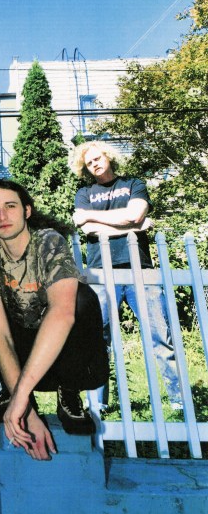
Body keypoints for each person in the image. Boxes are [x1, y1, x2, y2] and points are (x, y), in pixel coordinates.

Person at [0, 178, 109, 461]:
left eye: (10, 206)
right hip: (22, 362)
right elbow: (0, 335)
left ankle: (68, 394)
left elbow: (63, 313)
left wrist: (19, 397)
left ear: (27, 211)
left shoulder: (48, 242)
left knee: (82, 297)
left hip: (70, 360)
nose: (3, 216)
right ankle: (12, 392)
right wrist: (27, 411)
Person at [71, 140, 183, 410]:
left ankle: (179, 402)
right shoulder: (84, 193)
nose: (95, 163)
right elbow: (89, 231)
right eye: (89, 162)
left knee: (160, 337)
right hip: (100, 273)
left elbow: (136, 213)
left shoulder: (133, 184)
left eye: (98, 158)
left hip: (139, 270)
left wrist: (96, 218)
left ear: (108, 157)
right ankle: (99, 403)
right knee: (99, 340)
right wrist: (134, 226)